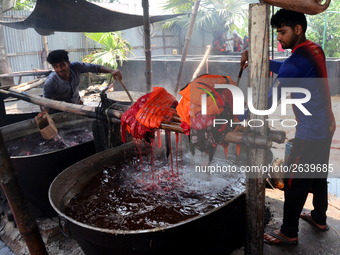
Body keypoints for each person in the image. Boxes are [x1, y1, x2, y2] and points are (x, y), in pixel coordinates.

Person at [241, 9, 335, 244]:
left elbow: (268, 101)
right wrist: (258, 59)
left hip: (310, 132)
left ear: (297, 29)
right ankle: (319, 217)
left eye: (282, 32)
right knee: (319, 175)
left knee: (294, 180)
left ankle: (288, 232)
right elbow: (288, 68)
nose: (279, 38)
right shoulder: (313, 49)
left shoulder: (297, 62)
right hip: (327, 126)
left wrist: (239, 115)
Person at [39, 49, 122, 115]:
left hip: (77, 106)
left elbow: (94, 67)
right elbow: (46, 102)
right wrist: (44, 113)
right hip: (59, 112)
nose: (59, 69)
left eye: (62, 65)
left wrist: (111, 70)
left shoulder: (76, 67)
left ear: (68, 63)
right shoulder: (50, 82)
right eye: (55, 66)